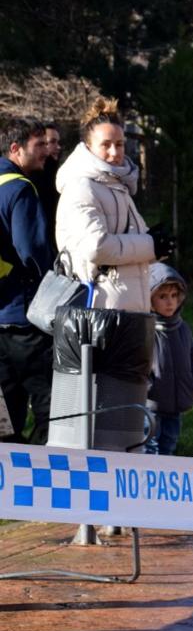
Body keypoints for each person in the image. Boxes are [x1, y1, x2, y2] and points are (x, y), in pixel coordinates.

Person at [55, 97, 174, 314]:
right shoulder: (81, 187)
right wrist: (149, 244)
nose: (114, 152)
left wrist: (157, 245)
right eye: (106, 145)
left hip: (128, 311)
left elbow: (129, 247)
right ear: (88, 147)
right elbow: (97, 247)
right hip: (100, 313)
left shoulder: (117, 185)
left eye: (119, 144)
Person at [0, 117, 54, 443]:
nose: (46, 150)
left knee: (5, 416)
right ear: (16, 148)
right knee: (52, 410)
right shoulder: (20, 189)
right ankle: (39, 478)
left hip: (0, 317)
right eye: (39, 145)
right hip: (24, 319)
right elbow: (32, 254)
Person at [144, 262, 193, 456]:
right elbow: (137, 362)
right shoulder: (147, 330)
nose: (170, 302)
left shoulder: (182, 328)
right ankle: (149, 484)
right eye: (162, 297)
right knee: (150, 447)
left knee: (169, 445)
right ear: (150, 299)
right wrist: (147, 387)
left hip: (176, 404)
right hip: (152, 404)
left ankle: (166, 485)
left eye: (174, 296)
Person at [30, 121, 62, 243]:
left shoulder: (58, 174)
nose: (58, 147)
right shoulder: (34, 178)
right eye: (52, 142)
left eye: (58, 142)